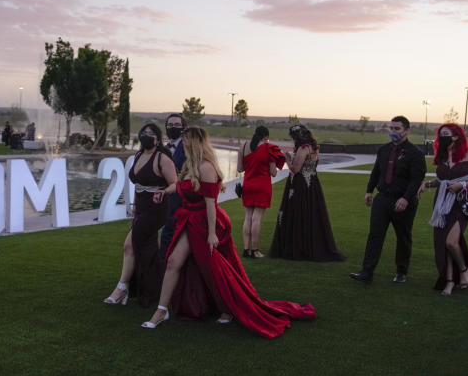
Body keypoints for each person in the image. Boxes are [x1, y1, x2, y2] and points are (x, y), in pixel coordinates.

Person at [141, 126, 315, 338]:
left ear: (194, 143)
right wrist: (164, 192)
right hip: (189, 220)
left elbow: (210, 203)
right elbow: (180, 186)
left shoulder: (206, 167)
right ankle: (161, 311)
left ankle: (228, 308)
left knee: (215, 270)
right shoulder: (190, 165)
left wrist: (212, 233)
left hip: (207, 223)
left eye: (186, 140)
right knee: (173, 261)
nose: (182, 144)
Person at [104, 123, 177, 308]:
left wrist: (164, 192)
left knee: (130, 244)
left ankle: (122, 288)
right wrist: (135, 207)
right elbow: (137, 186)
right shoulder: (138, 155)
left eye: (150, 133)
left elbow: (175, 183)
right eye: (143, 132)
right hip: (141, 208)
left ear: (158, 139)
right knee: (143, 247)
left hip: (157, 207)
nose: (146, 135)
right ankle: (149, 288)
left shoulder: (162, 158)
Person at [351, 116, 426, 284]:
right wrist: (369, 191)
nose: (393, 132)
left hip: (403, 202)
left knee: (403, 237)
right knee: (374, 236)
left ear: (407, 131)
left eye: (397, 129)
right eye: (391, 128)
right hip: (383, 199)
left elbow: (416, 179)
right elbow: (376, 171)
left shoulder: (415, 153)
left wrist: (406, 198)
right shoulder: (384, 150)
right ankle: (367, 272)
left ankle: (401, 272)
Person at [417, 123, 468, 295]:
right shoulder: (442, 155)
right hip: (442, 202)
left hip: (461, 202)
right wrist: (426, 184)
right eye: (440, 134)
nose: (442, 137)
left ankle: (464, 270)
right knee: (444, 244)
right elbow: (442, 180)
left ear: (456, 136)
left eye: (446, 134)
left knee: (451, 241)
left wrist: (462, 184)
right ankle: (449, 281)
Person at [269, 124, 346, 262]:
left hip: (299, 186)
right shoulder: (315, 148)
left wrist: (287, 158)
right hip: (312, 184)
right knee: (311, 214)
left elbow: (295, 169)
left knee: (297, 213)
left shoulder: (303, 148)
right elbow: (313, 165)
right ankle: (310, 244)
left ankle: (298, 247)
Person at [237, 125, 286, 258]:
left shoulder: (243, 146)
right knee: (257, 218)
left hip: (248, 185)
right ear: (266, 137)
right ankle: (255, 250)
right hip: (262, 186)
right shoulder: (269, 148)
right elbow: (273, 172)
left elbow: (240, 168)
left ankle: (246, 249)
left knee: (248, 217)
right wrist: (275, 166)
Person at [159, 113, 188, 263]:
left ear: (183, 127)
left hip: (182, 201)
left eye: (177, 125)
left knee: (174, 238)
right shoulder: (163, 149)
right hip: (166, 201)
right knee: (166, 239)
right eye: (170, 125)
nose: (173, 128)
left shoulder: (188, 148)